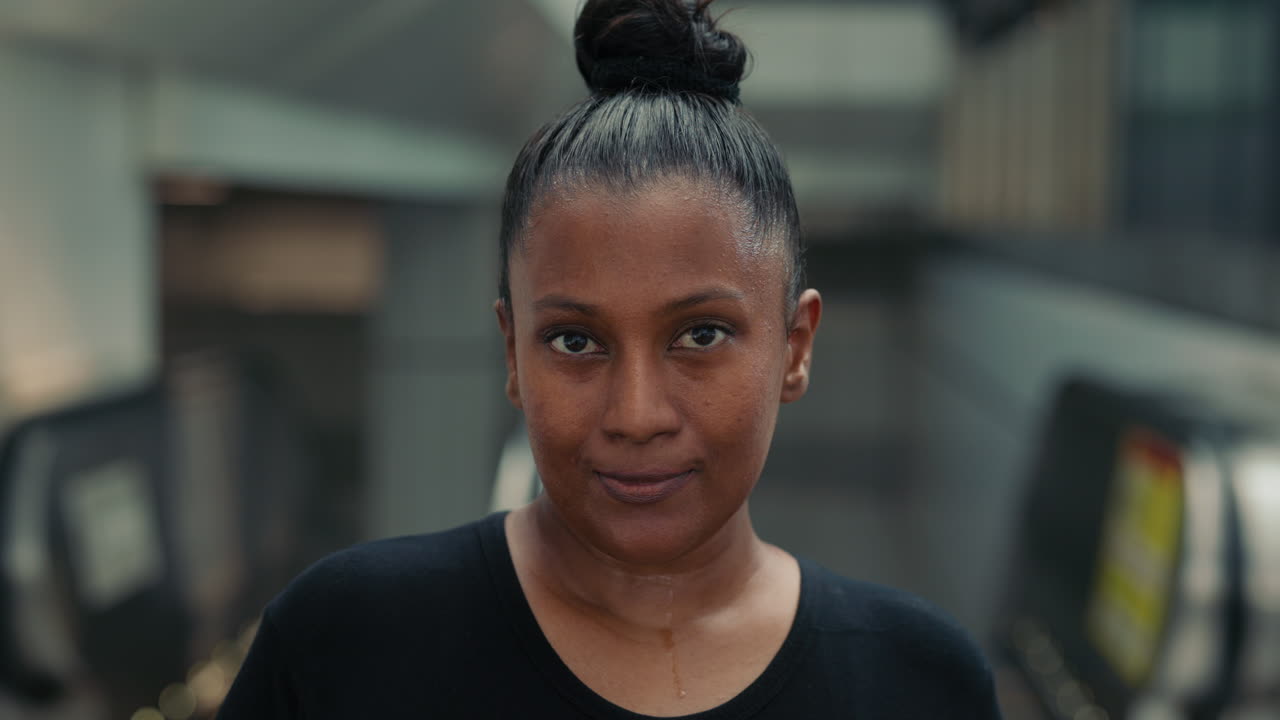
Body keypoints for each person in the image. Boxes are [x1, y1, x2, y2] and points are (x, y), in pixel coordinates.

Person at [217, 0, 1003, 717]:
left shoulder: (919, 683)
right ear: (513, 354)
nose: (635, 415)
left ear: (795, 347)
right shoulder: (345, 647)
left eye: (700, 335)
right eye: (575, 341)